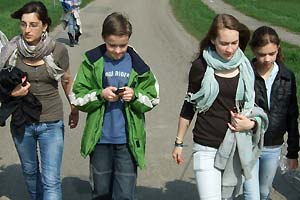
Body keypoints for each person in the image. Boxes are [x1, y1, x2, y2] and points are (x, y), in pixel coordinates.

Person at [171, 14, 268, 200]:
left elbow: (254, 107)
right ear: (213, 39)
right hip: (206, 145)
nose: (230, 49)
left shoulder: (246, 66)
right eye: (224, 43)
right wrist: (179, 142)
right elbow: (189, 105)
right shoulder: (200, 66)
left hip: (236, 147)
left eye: (234, 43)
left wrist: (252, 124)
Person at [69, 12, 159, 200]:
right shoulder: (92, 62)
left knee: (125, 194)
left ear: (129, 40)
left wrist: (134, 96)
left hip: (127, 141)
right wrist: (99, 95)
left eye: (123, 45)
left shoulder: (138, 65)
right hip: (100, 140)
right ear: (104, 38)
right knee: (101, 192)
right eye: (112, 45)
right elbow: (76, 96)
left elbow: (153, 98)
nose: (118, 50)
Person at [0, 1, 79, 199]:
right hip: (21, 123)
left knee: (51, 180)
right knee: (30, 174)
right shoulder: (11, 51)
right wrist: (12, 94)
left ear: (45, 26)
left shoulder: (58, 50)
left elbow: (66, 79)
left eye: (33, 24)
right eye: (23, 24)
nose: (27, 30)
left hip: (51, 122)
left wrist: (74, 107)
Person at [243, 26, 299, 200]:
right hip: (249, 145)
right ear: (253, 50)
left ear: (278, 49)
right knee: (251, 196)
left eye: (272, 53)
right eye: (261, 54)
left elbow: (292, 115)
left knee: (264, 192)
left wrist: (292, 152)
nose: (267, 59)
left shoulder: (287, 76)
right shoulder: (246, 74)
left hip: (273, 147)